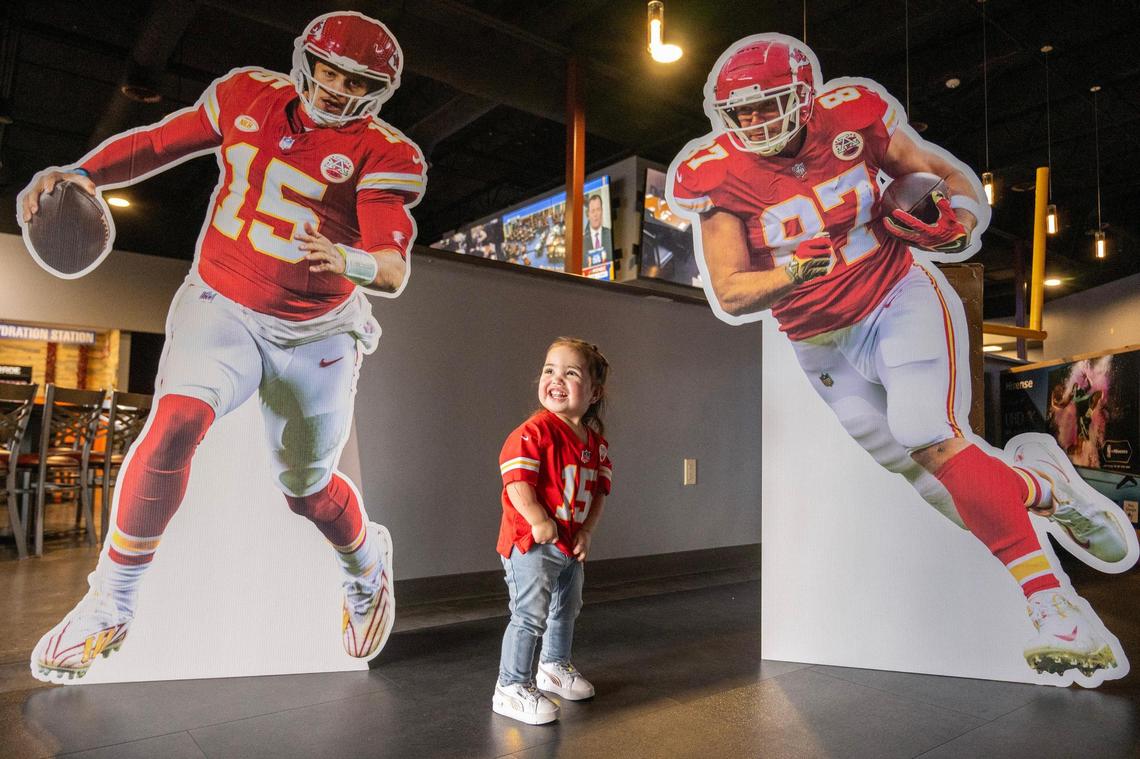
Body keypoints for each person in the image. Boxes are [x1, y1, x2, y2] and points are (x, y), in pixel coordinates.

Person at [667, 33, 1137, 681]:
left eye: (767, 104)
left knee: (928, 434)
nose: (754, 122)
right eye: (740, 112)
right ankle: (1045, 488)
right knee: (931, 482)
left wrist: (961, 221)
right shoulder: (717, 172)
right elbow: (730, 288)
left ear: (804, 98)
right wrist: (790, 274)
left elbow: (947, 179)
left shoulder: (853, 115)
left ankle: (1054, 603)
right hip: (816, 338)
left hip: (896, 296)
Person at [19, 10, 426, 682]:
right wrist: (83, 170)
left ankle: (364, 566)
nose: (332, 85)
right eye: (326, 67)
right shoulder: (248, 96)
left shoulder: (386, 153)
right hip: (222, 300)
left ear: (374, 90)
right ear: (307, 60)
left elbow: (391, 266)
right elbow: (159, 141)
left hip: (316, 331)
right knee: (176, 420)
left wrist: (346, 260)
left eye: (352, 78)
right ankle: (111, 602)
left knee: (307, 489)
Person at [493, 338, 612, 725]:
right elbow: (516, 482)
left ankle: (554, 666)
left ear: (594, 392)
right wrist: (537, 518)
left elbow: (597, 494)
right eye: (549, 370)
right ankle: (510, 686)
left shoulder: (596, 445)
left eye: (570, 372)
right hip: (531, 543)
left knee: (566, 608)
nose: (556, 378)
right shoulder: (534, 432)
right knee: (530, 613)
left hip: (567, 546)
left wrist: (587, 532)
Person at [584, 194, 613, 260]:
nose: (595, 214)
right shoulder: (582, 243)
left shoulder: (610, 234)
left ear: (602, 211)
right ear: (588, 215)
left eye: (598, 209)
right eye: (593, 211)